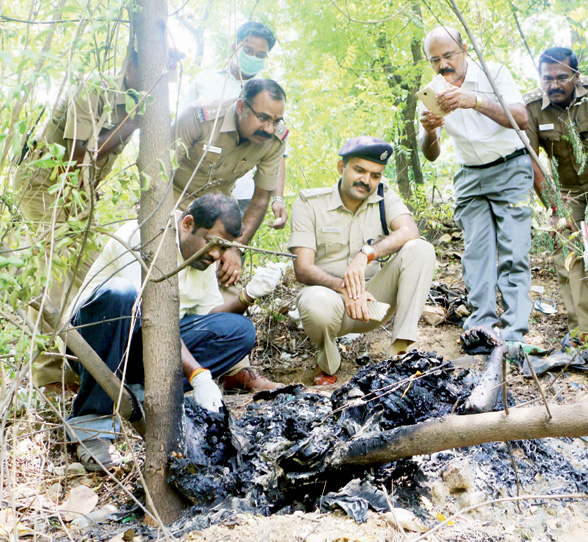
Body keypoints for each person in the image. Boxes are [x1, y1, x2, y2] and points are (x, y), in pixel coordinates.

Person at [65, 193, 283, 471]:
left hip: (145, 351)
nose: (216, 255)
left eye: (223, 247)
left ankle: (145, 392)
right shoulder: (142, 236)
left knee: (239, 331)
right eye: (212, 243)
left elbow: (208, 320)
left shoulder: (201, 256)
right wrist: (197, 373)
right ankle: (90, 423)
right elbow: (145, 315)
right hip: (97, 341)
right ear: (187, 223)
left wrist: (247, 296)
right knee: (122, 294)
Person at [14, 52, 145, 391]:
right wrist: (129, 125)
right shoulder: (95, 89)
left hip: (79, 196)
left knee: (90, 272)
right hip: (45, 183)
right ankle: (48, 374)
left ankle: (78, 363)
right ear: (130, 65)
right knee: (54, 274)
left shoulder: (139, 102)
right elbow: (73, 159)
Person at [418, 26, 534, 344]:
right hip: (470, 174)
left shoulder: (492, 72)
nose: (443, 65)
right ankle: (481, 327)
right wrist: (429, 131)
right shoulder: (430, 92)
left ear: (464, 49)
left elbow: (521, 118)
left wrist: (474, 101)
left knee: (514, 249)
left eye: (448, 55)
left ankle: (514, 334)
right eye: (435, 59)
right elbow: (431, 155)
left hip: (510, 168)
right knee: (476, 253)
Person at [288, 137, 436, 385]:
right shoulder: (310, 203)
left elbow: (410, 231)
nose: (366, 181)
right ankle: (327, 366)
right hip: (333, 301)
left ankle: (400, 354)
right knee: (314, 301)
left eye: (375, 175)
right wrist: (345, 289)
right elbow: (302, 269)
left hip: (373, 303)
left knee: (421, 249)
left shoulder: (382, 195)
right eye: (359, 170)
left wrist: (366, 253)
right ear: (341, 167)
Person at [172, 78, 288, 392]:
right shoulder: (199, 117)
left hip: (220, 217)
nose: (269, 126)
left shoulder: (274, 138)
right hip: (172, 205)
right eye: (263, 117)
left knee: (227, 277)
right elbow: (157, 172)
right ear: (240, 107)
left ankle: (236, 369)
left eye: (276, 119)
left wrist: (233, 247)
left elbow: (261, 198)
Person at [524, 47, 588, 342]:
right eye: (547, 78)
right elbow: (532, 161)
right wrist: (557, 208)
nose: (554, 85)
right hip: (566, 193)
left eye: (561, 77)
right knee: (567, 254)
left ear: (575, 76)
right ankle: (583, 329)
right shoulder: (531, 107)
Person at [184, 20, 288, 226]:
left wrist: (277, 198)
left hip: (240, 195)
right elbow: (181, 135)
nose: (253, 58)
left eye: (261, 55)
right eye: (248, 50)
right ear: (235, 47)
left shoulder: (272, 95)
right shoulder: (205, 81)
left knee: (228, 253)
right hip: (189, 186)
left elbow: (277, 154)